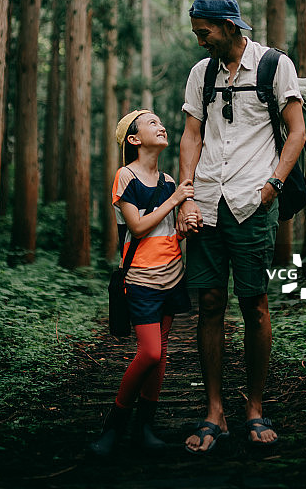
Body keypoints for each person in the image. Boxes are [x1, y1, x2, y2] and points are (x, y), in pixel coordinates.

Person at [177, 0, 306, 453]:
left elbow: (296, 130)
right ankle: (214, 411)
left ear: (230, 25)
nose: (199, 41)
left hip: (253, 202)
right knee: (210, 302)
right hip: (207, 202)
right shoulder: (201, 74)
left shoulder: (274, 65)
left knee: (254, 304)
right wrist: (186, 196)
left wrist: (273, 184)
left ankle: (254, 408)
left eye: (204, 32)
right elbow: (192, 135)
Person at [90, 109, 194, 457]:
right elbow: (137, 226)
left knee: (161, 351)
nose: (160, 125)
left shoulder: (167, 180)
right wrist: (176, 200)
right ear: (134, 140)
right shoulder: (126, 177)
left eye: (159, 121)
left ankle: (145, 428)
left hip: (171, 274)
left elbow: (164, 230)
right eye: (151, 122)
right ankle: (113, 427)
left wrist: (182, 230)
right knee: (149, 350)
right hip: (141, 278)